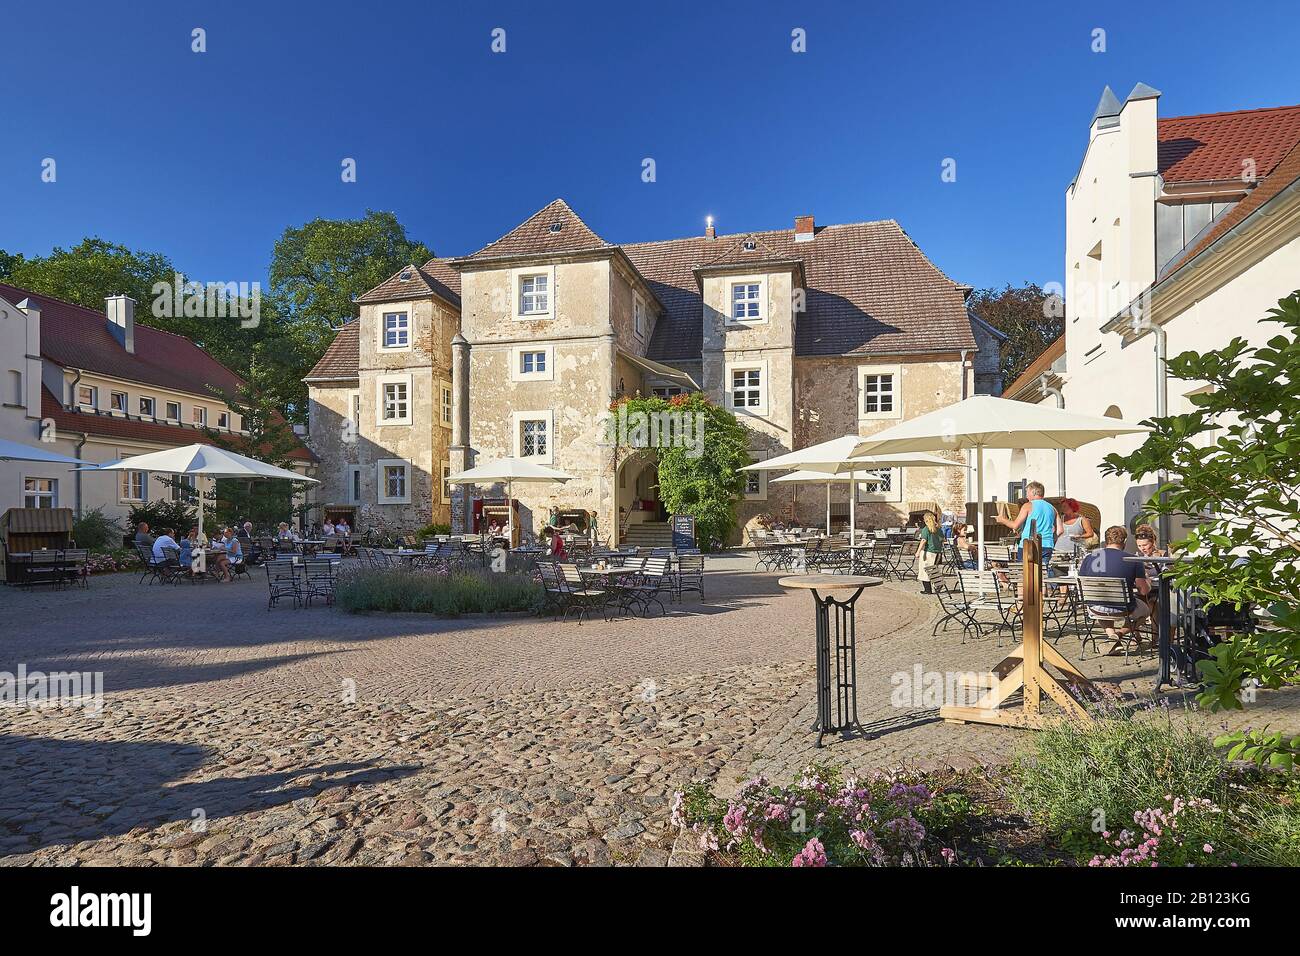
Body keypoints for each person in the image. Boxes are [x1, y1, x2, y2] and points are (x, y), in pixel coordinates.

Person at [1079, 525, 1152, 649]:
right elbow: (1143, 591)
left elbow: (1081, 583)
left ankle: (1111, 637)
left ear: (1106, 540)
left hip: (1095, 608)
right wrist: (1147, 579)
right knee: (1146, 610)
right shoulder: (1133, 559)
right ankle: (1118, 634)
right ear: (1124, 542)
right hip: (1123, 608)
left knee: (1102, 602)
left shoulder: (1089, 558)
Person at [995, 481, 1063, 569]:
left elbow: (1015, 525)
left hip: (1028, 545)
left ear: (1033, 492)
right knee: (1043, 574)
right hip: (1047, 545)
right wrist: (1050, 539)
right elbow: (1060, 530)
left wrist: (1002, 520)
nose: (1026, 496)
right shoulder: (1052, 508)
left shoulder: (1028, 506)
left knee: (1025, 575)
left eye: (1027, 492)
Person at [914, 511, 944, 594]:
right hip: (938, 553)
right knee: (934, 570)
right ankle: (938, 584)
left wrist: (918, 552)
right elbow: (942, 540)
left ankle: (928, 589)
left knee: (925, 571)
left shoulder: (926, 529)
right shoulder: (939, 529)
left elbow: (923, 541)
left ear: (925, 520)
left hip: (928, 552)